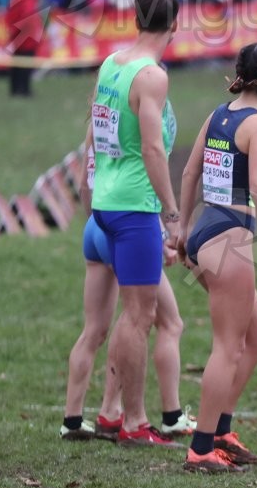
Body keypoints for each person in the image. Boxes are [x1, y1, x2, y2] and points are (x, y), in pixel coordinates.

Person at [177, 43, 257, 473]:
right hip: (228, 237)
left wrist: (180, 230)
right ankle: (200, 448)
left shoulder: (219, 114)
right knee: (227, 347)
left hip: (206, 230)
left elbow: (191, 171)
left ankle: (222, 431)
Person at [90, 0, 183, 447]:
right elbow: (151, 148)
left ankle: (110, 414)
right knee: (138, 317)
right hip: (134, 206)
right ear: (175, 24)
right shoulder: (152, 75)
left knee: (137, 315)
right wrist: (171, 212)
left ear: (135, 18)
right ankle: (134, 421)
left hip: (105, 202)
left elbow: (95, 124)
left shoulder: (112, 62)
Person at [60, 144, 195, 442]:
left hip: (98, 222)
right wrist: (162, 233)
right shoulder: (146, 113)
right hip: (130, 224)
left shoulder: (101, 112)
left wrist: (96, 225)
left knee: (95, 329)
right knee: (164, 321)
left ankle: (76, 419)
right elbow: (147, 173)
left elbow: (85, 182)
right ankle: (170, 416)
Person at [4, 0, 41, 97]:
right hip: (26, 38)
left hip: (18, 36)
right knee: (24, 65)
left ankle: (15, 89)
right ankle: (23, 90)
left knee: (17, 65)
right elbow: (28, 17)